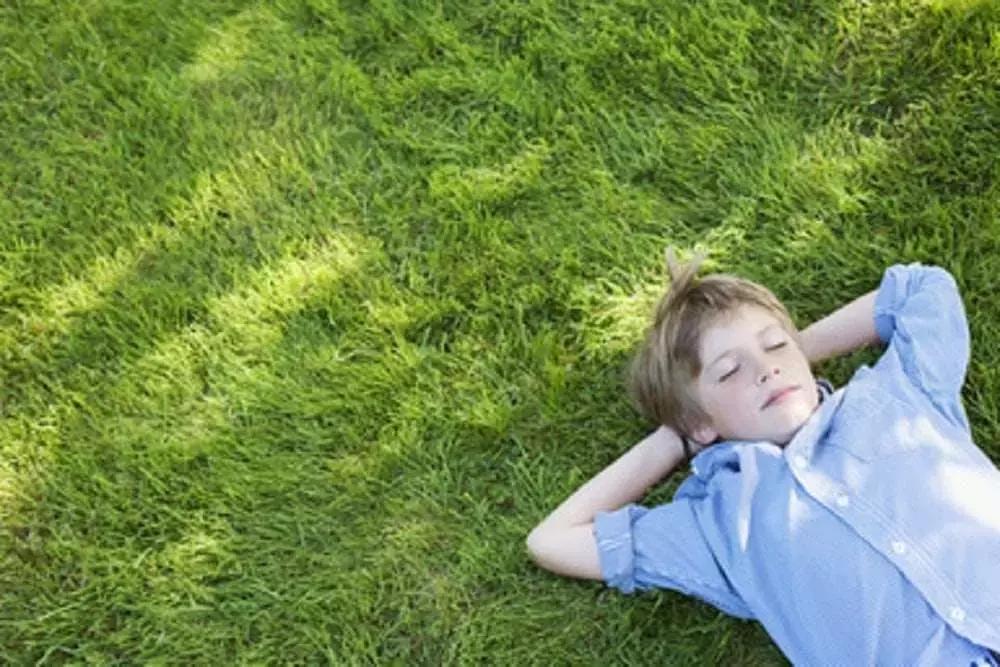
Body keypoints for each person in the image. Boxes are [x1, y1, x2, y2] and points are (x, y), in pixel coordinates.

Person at [526, 250, 1000, 665]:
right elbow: (552, 540)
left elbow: (921, 289)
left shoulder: (894, 393)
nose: (766, 368)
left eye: (774, 345)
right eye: (730, 371)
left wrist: (799, 353)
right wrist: (675, 438)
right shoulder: (720, 524)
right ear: (701, 423)